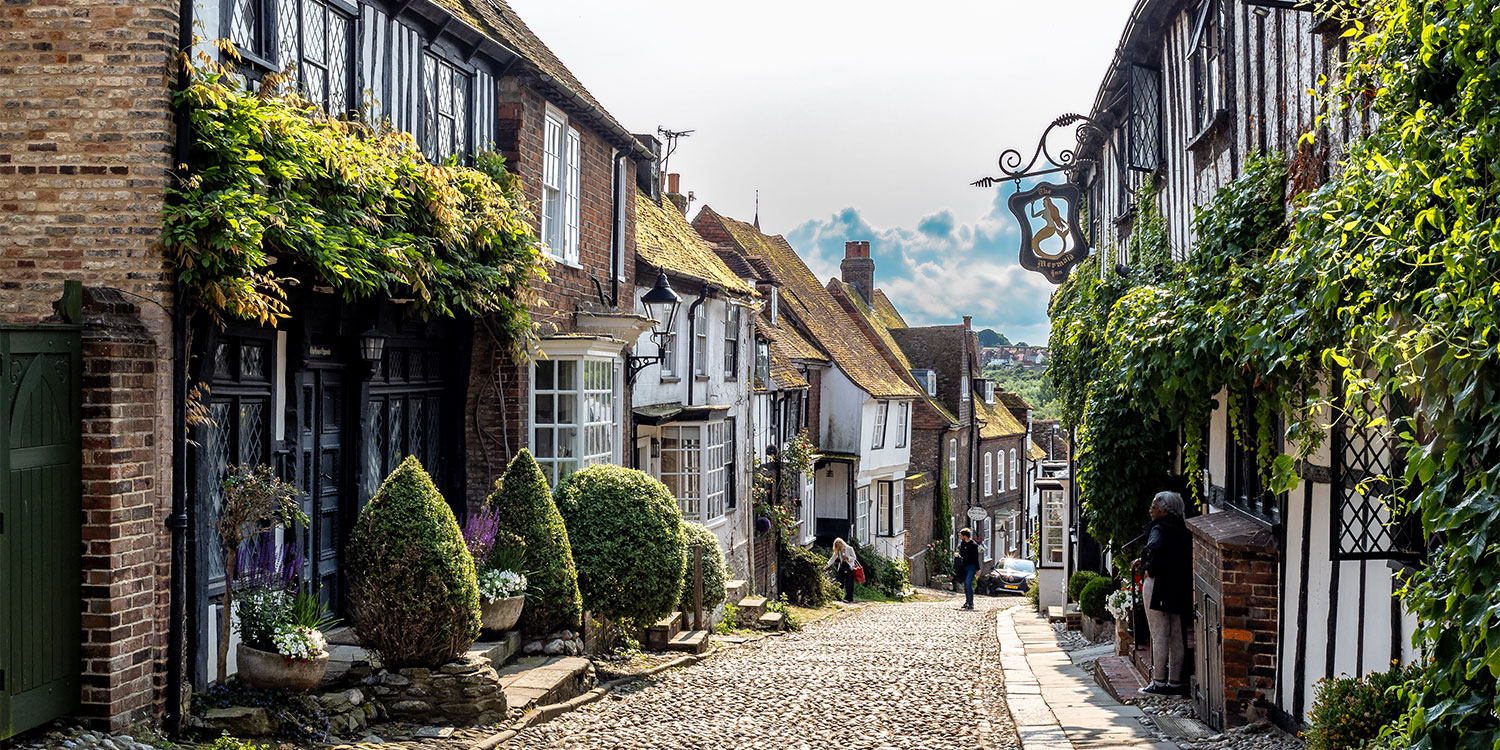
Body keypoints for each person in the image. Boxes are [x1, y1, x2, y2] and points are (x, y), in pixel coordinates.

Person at [1132, 491, 1192, 696]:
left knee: (1158, 634)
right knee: (1176, 634)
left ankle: (1158, 682)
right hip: (1177, 585)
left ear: (1165, 510)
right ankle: (1174, 682)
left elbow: (1155, 548)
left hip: (1157, 585)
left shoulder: (1158, 528)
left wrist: (1149, 567)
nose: (1150, 510)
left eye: (1153, 507)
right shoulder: (1182, 528)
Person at [825, 537, 859, 603]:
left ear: (841, 543)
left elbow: (854, 557)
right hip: (842, 567)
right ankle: (838, 596)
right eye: (836, 545)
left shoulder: (849, 548)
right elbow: (833, 558)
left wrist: (847, 558)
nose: (838, 546)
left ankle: (849, 597)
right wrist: (826, 565)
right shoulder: (838, 550)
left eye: (838, 545)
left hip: (849, 567)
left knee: (849, 583)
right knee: (839, 581)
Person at [957, 528, 980, 610]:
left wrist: (978, 569)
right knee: (966, 585)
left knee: (968, 582)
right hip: (964, 566)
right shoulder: (963, 543)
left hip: (972, 566)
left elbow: (976, 558)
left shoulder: (973, 545)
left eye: (961, 535)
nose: (960, 536)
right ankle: (967, 601)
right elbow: (962, 554)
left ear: (965, 536)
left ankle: (971, 603)